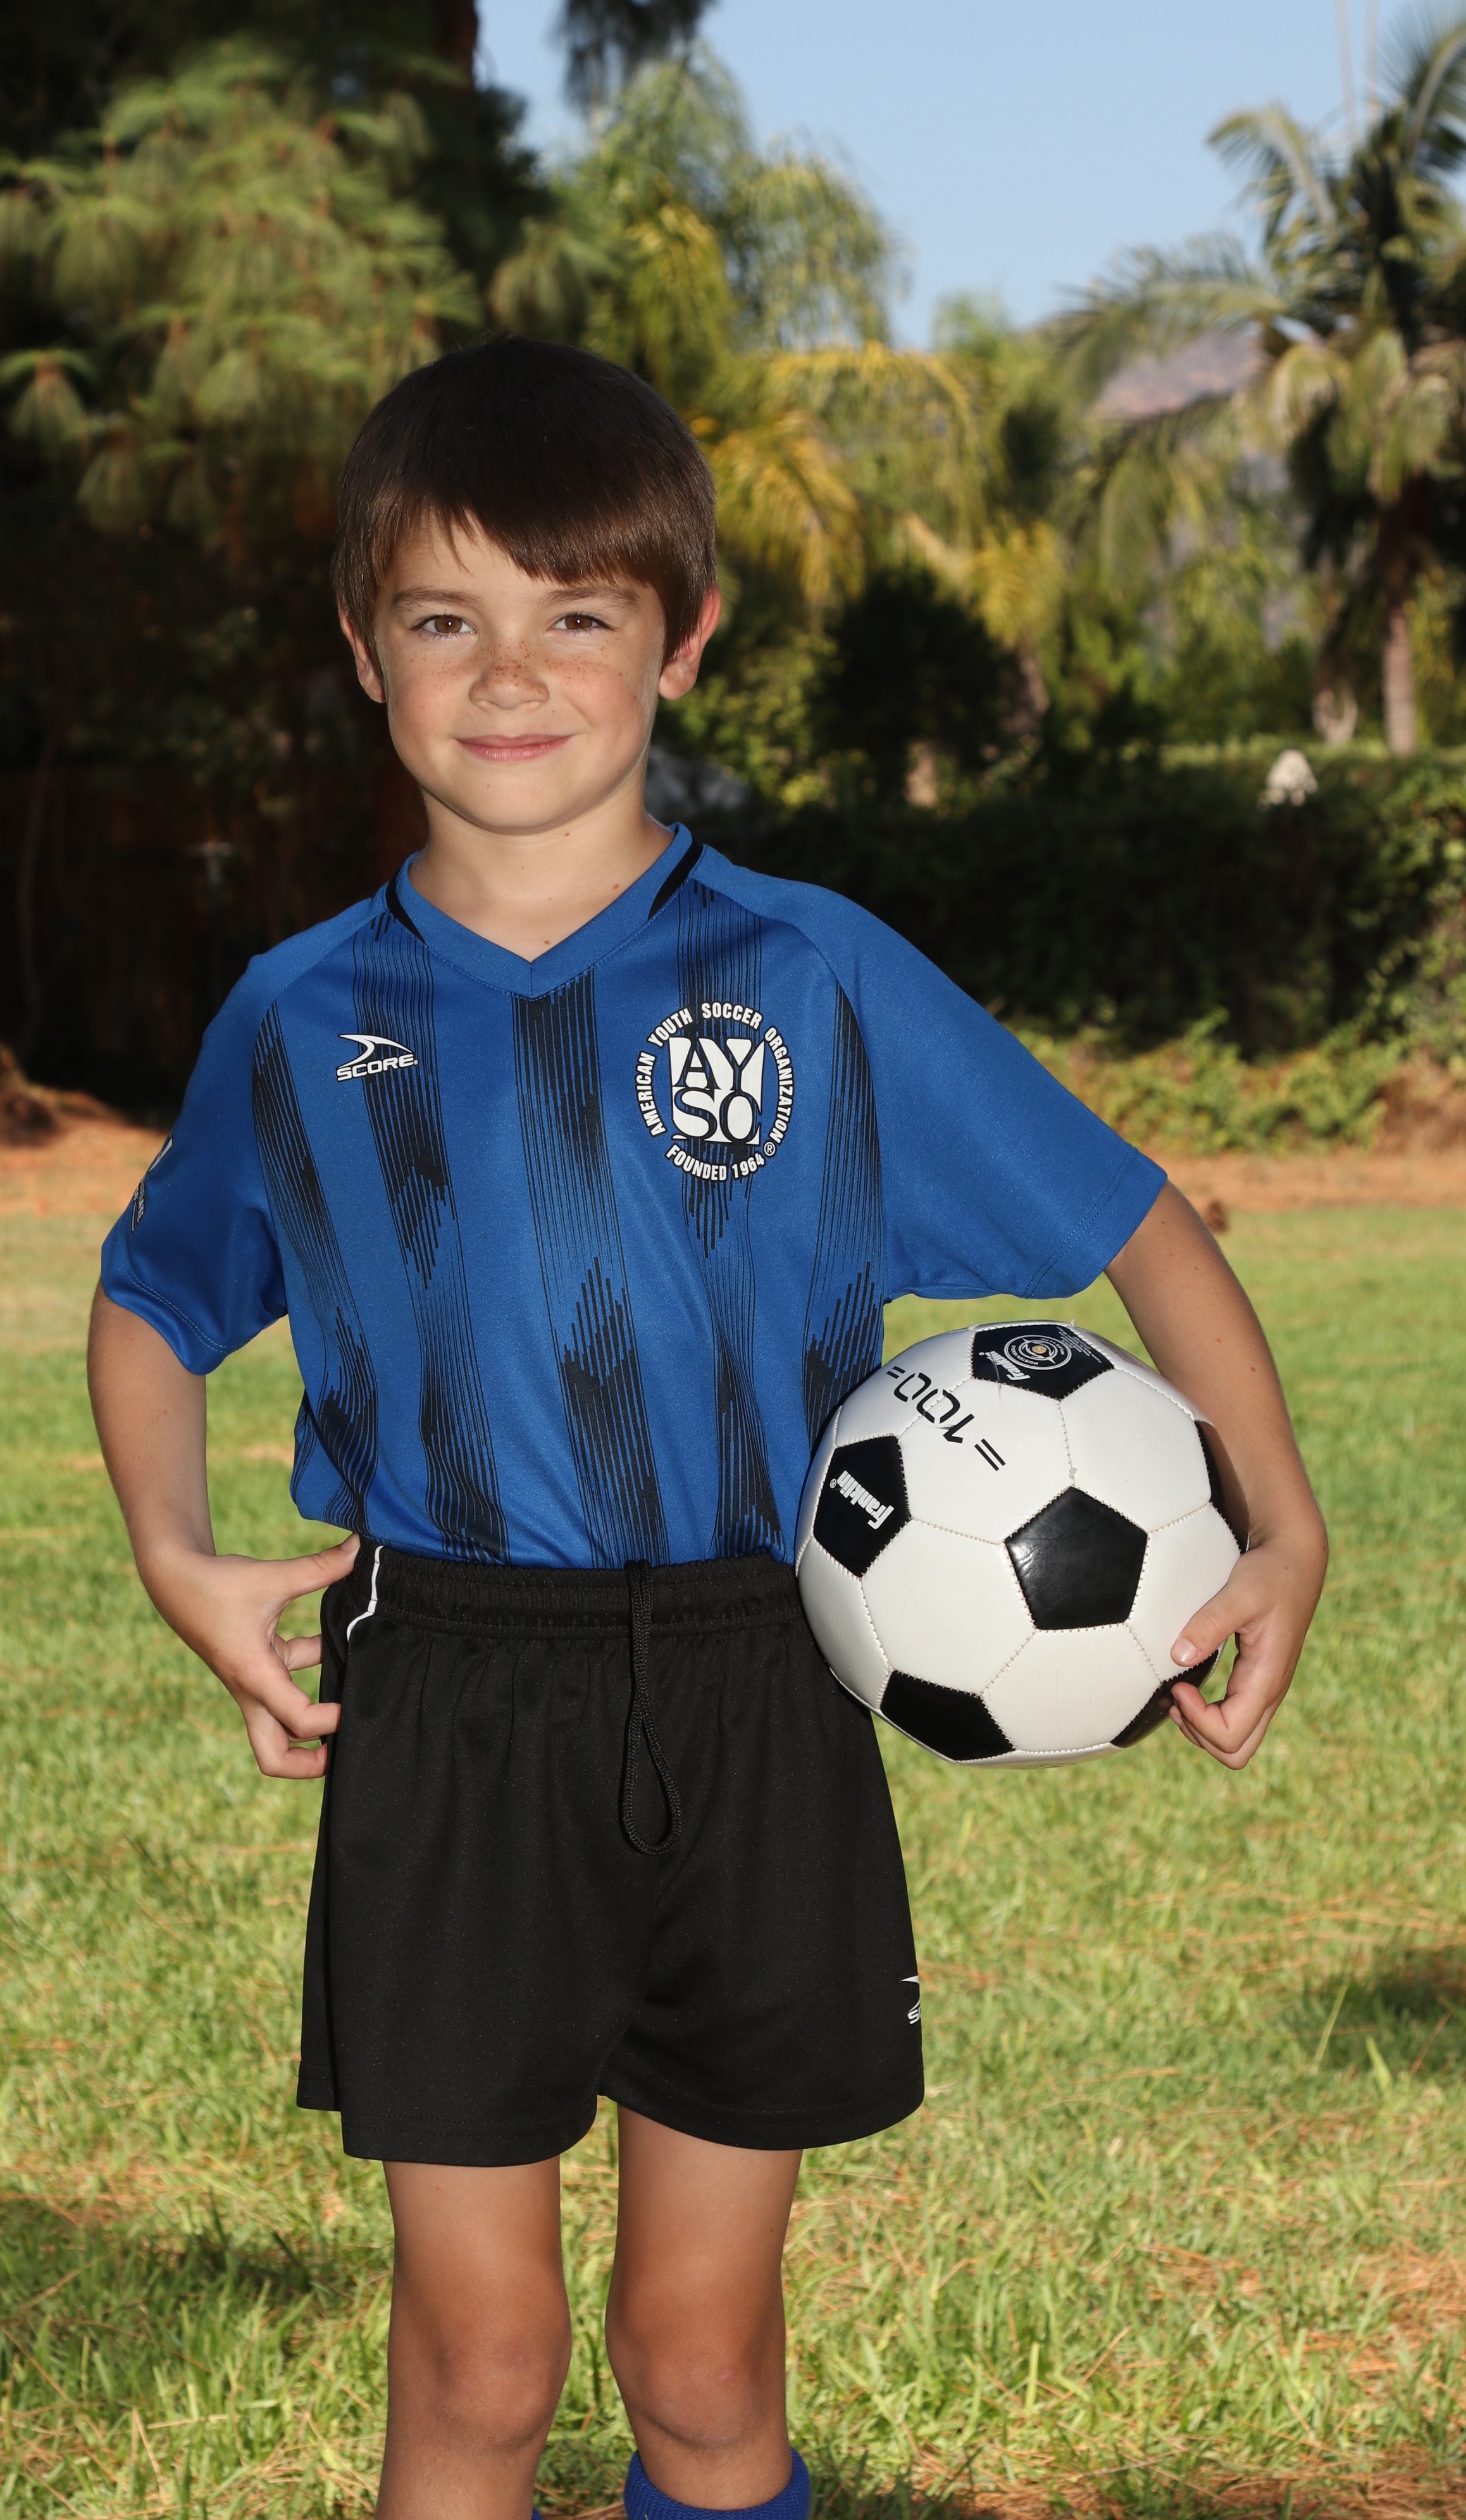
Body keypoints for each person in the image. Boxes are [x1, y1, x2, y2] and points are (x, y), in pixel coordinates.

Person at [87, 336, 1327, 2520]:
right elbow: (154, 1298)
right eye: (445, 618)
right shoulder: (298, 1015)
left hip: (767, 1675)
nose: (510, 674)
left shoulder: (813, 973)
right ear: (363, 647)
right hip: (452, 1692)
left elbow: (1137, 1222)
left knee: (700, 2356)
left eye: (577, 614)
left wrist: (1280, 1517)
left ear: (683, 638)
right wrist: (175, 1551)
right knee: (479, 2359)